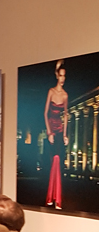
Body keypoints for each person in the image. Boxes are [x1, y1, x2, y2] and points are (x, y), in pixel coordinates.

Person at [44, 60, 69, 210]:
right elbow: (45, 113)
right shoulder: (51, 92)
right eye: (61, 75)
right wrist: (49, 132)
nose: (63, 78)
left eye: (64, 76)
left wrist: (65, 135)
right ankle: (50, 197)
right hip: (51, 130)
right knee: (52, 161)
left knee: (58, 161)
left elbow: (65, 115)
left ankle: (57, 199)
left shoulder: (65, 95)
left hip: (59, 130)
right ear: (57, 76)